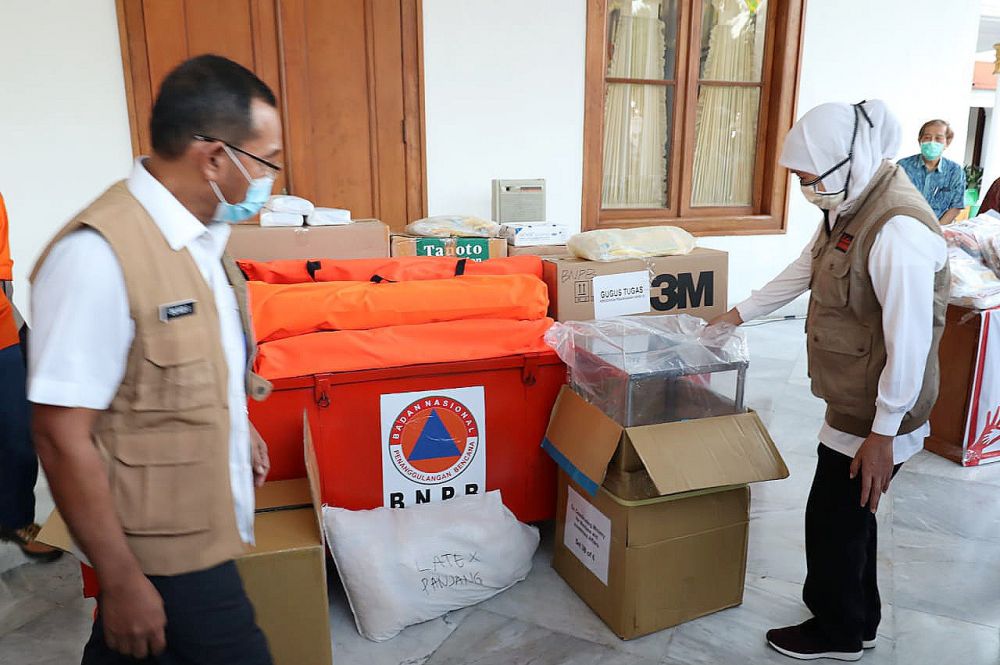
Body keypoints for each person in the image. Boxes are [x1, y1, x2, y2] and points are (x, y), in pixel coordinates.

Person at [29, 55, 280, 664]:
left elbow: (174, 373)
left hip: (199, 522)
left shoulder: (201, 240)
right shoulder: (97, 257)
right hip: (160, 550)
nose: (269, 179)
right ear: (214, 158)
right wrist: (119, 582)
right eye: (265, 161)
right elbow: (61, 435)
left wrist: (236, 427)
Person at [711, 100, 949, 661]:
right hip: (857, 396)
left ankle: (836, 633)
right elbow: (807, 267)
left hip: (881, 408)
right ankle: (859, 621)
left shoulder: (898, 229)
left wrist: (883, 435)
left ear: (845, 161)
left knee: (834, 520)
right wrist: (734, 317)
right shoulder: (852, 203)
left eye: (808, 176)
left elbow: (911, 342)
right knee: (850, 517)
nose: (804, 188)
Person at [0, 191, 62, 561]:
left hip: (3, 336)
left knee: (18, 436)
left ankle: (15, 520)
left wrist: (21, 330)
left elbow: (3, 277)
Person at [897, 119, 965, 224]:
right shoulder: (903, 166)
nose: (932, 142)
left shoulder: (955, 171)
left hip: (939, 227)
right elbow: (894, 199)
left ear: (947, 143)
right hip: (904, 225)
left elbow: (956, 207)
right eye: (927, 138)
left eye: (938, 138)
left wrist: (936, 230)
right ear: (920, 141)